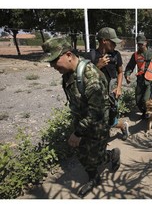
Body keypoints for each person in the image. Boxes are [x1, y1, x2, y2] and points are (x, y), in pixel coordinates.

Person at [41, 37, 121, 198]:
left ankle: (112, 155)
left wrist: (78, 132)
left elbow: (96, 111)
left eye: (55, 60)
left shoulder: (91, 77)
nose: (52, 66)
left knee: (95, 156)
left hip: (96, 123)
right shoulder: (69, 72)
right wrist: (78, 129)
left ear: (69, 55)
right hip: (82, 120)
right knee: (83, 152)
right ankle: (93, 178)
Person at [91, 27, 130, 140]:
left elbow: (120, 72)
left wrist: (119, 88)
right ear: (104, 41)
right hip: (97, 95)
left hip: (111, 93)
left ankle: (122, 125)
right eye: (112, 42)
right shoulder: (91, 56)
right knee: (100, 120)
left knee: (110, 120)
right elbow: (86, 76)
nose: (115, 45)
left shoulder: (116, 55)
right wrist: (98, 66)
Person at [124, 34, 152, 119]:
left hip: (150, 80)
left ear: (146, 42)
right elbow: (130, 66)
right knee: (138, 100)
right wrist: (127, 75)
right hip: (140, 79)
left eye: (142, 43)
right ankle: (145, 111)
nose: (140, 46)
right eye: (139, 44)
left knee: (145, 99)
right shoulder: (136, 55)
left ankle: (148, 114)